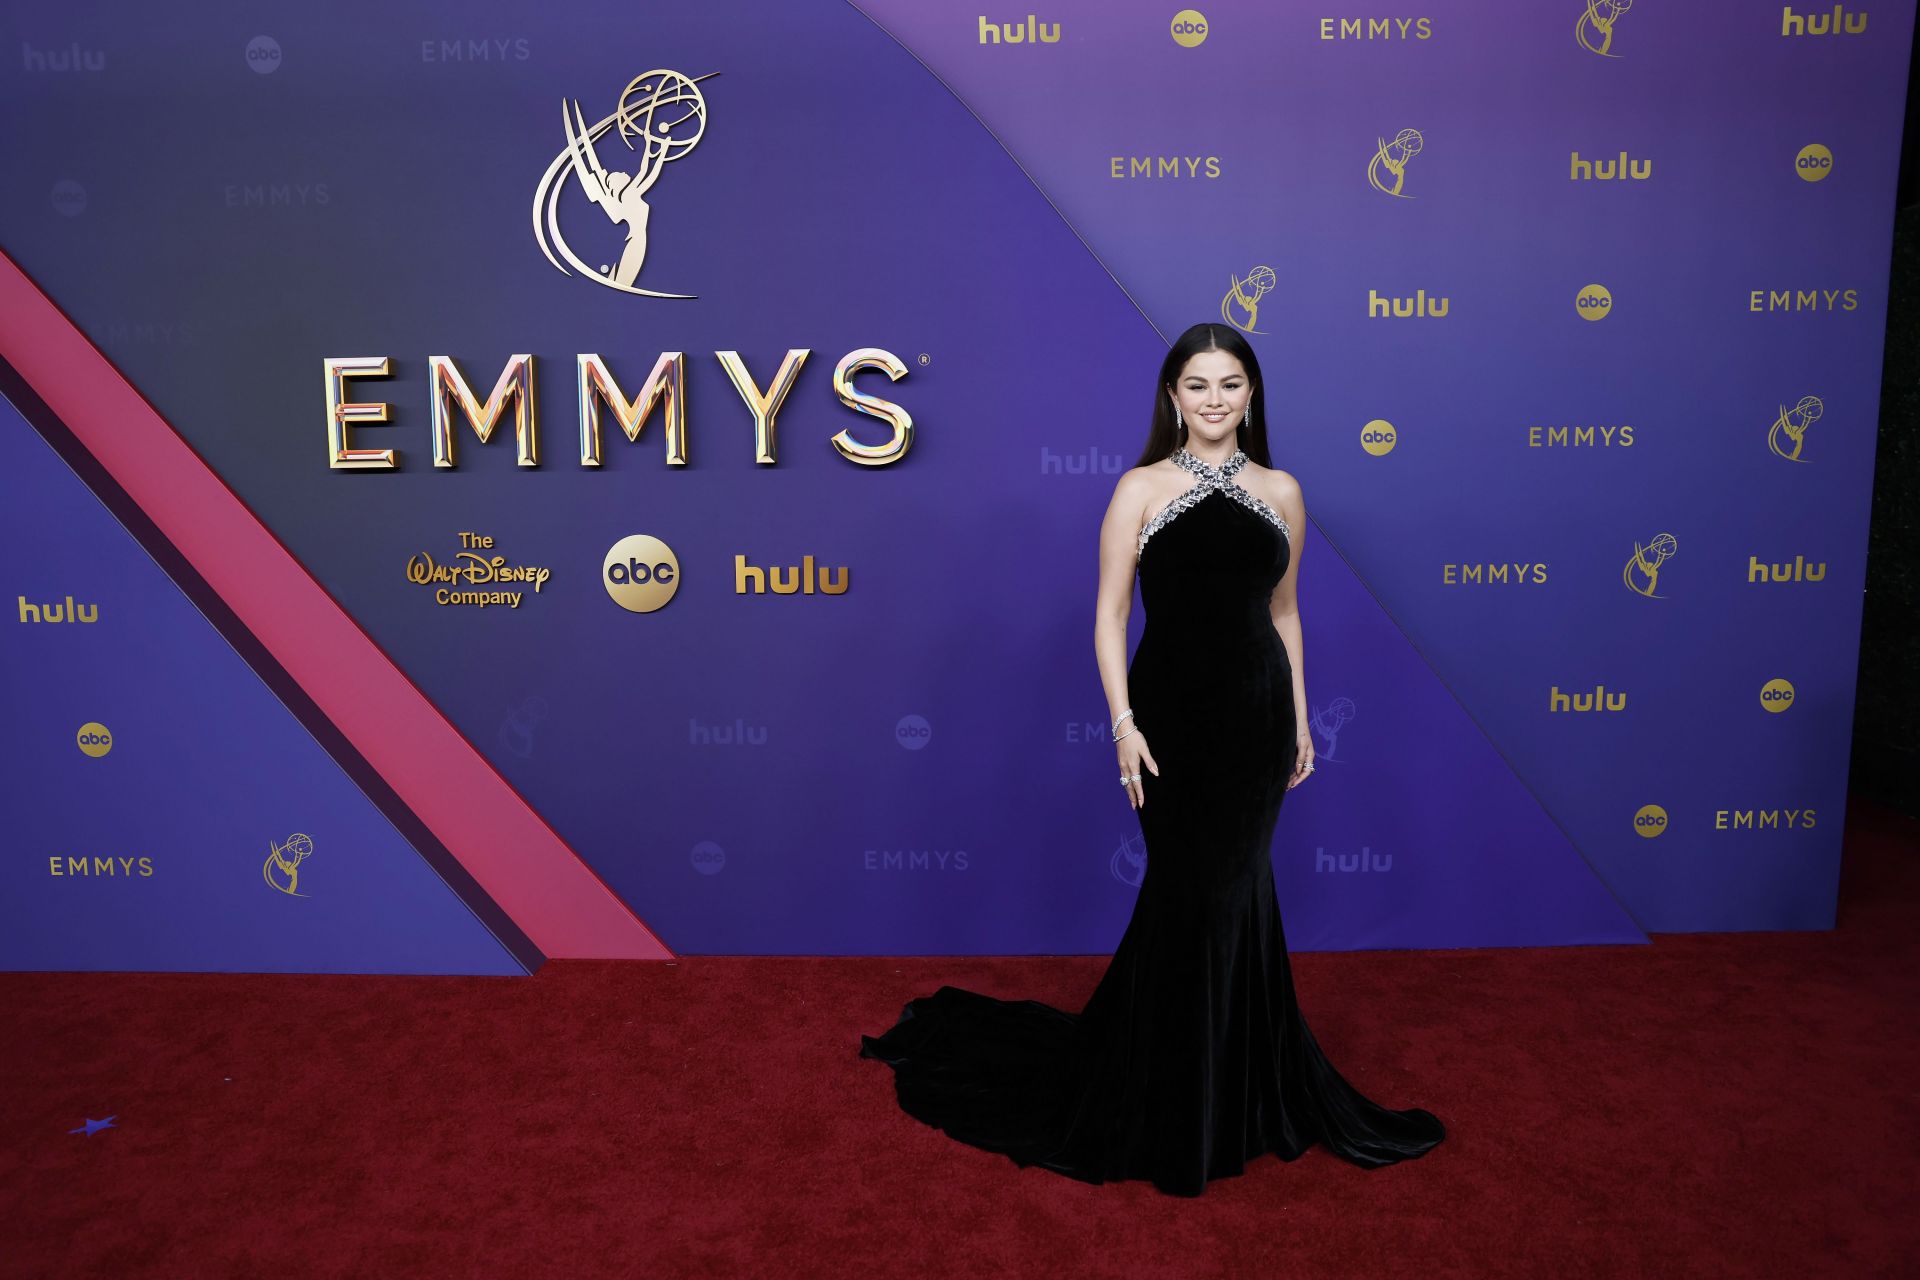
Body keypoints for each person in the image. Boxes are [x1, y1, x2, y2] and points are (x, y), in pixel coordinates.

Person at [858, 323, 1445, 1197]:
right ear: (1173, 396)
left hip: (1253, 718)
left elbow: (1283, 616)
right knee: (1188, 892)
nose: (1215, 400)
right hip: (1167, 715)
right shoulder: (1139, 488)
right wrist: (1123, 724)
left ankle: (1233, 1091)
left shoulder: (1283, 490)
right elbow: (1109, 615)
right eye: (1198, 384)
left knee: (1238, 893)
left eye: (1231, 384)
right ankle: (1178, 1092)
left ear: (1253, 395)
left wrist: (1300, 720)